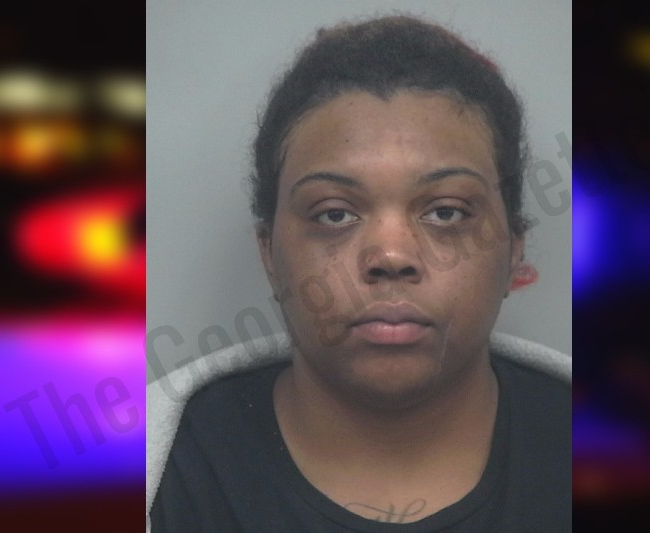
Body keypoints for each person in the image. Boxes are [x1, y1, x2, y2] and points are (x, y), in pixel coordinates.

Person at [147, 15, 570, 532]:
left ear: (513, 250)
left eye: (446, 212)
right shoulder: (167, 476)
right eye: (334, 214)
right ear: (269, 254)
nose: (390, 255)